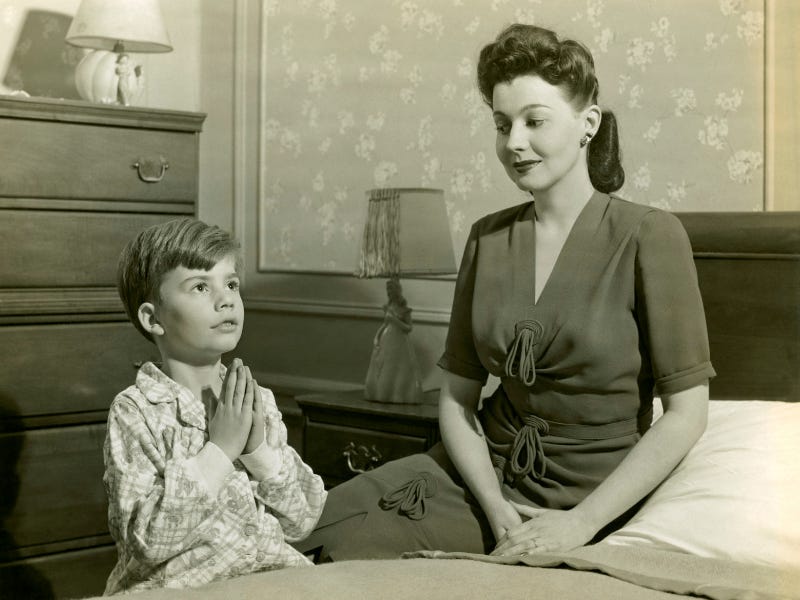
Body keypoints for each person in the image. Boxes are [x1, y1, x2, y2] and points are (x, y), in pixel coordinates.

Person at [294, 23, 714, 561]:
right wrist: (495, 509)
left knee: (351, 556)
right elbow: (456, 398)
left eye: (534, 121)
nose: (514, 142)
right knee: (307, 527)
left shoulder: (650, 237)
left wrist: (581, 523)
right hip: (477, 475)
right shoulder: (487, 238)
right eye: (501, 124)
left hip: (585, 499)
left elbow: (686, 415)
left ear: (587, 124)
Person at [105, 218, 326, 593]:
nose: (226, 299)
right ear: (153, 318)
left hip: (270, 579)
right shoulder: (135, 411)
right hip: (179, 589)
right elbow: (147, 542)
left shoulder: (256, 399)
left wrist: (258, 451)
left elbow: (302, 520)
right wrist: (221, 451)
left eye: (231, 284)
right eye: (200, 286)